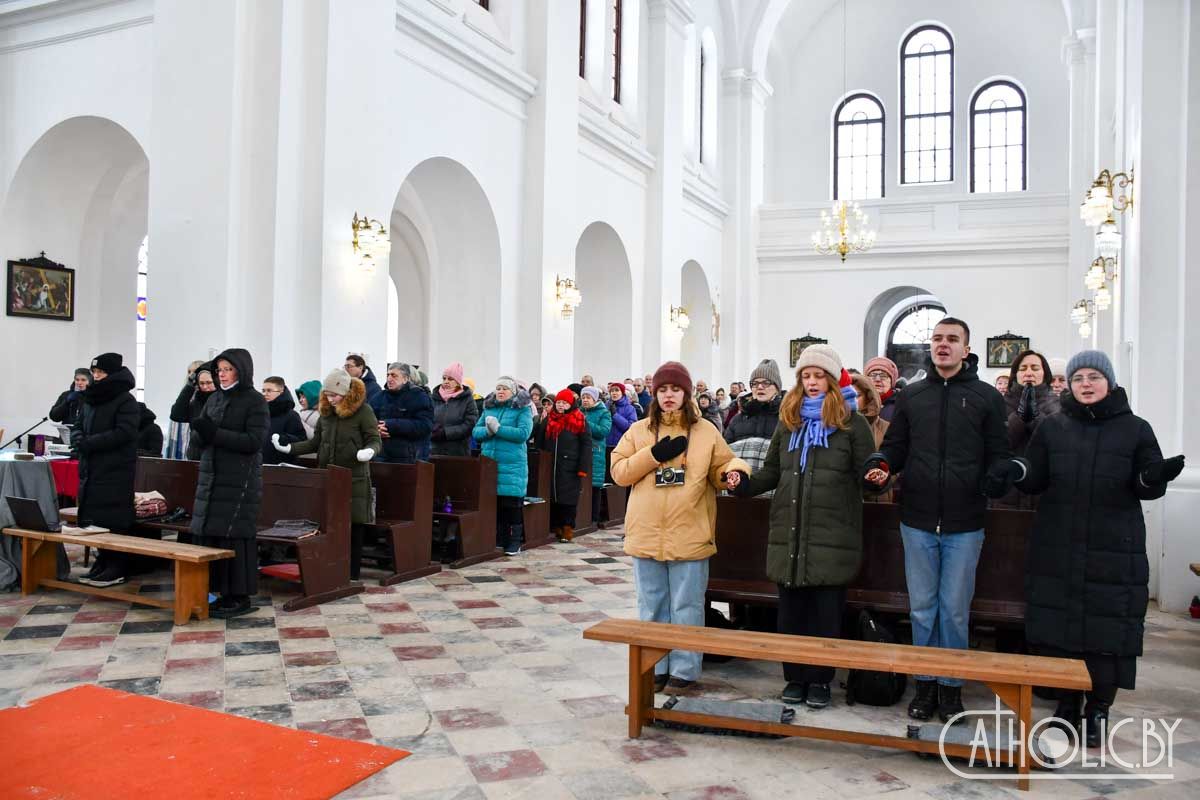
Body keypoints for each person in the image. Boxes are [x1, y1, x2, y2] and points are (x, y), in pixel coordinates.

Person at [1015, 351, 1185, 746]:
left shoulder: (1135, 429)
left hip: (1114, 546)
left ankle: (1098, 709)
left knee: (1108, 630)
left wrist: (1154, 476)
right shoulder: (1053, 427)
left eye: (1094, 376)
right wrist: (1015, 472)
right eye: (1078, 378)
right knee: (1060, 628)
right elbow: (1034, 478)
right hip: (1058, 542)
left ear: (1109, 382)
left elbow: (1145, 484)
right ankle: (1066, 704)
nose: (1085, 384)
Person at [864, 317, 1018, 723]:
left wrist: (996, 476)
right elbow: (895, 448)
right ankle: (925, 684)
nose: (943, 344)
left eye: (952, 339)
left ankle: (951, 688)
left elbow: (999, 453)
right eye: (937, 338)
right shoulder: (914, 396)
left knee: (953, 610)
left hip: (965, 521)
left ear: (966, 349)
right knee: (921, 609)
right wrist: (880, 464)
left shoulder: (986, 397)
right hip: (917, 519)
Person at [730, 346, 873, 708]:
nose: (812, 382)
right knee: (792, 615)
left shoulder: (852, 423)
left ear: (832, 380)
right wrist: (744, 485)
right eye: (806, 376)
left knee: (825, 616)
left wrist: (877, 477)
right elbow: (772, 472)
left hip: (831, 534)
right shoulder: (789, 419)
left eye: (819, 376)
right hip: (790, 533)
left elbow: (867, 474)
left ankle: (821, 680)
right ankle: (794, 677)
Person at [611, 361, 749, 691]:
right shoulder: (639, 431)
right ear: (655, 394)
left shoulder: (705, 431)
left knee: (687, 606)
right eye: (662, 390)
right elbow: (619, 472)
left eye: (675, 389)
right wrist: (653, 454)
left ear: (686, 394)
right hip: (647, 532)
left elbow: (723, 464)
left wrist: (735, 472)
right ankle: (656, 666)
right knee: (652, 605)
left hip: (690, 531)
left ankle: (685, 670)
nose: (669, 395)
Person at [276, 369, 382, 579]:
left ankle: (351, 572)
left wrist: (369, 451)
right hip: (327, 476)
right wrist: (290, 448)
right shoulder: (326, 414)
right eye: (328, 395)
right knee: (328, 523)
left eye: (335, 395)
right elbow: (315, 443)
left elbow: (374, 439)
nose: (331, 399)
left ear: (345, 392)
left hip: (354, 478)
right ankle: (331, 567)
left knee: (354, 525)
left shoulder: (363, 411)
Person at [189, 348, 269, 617]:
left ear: (241, 370)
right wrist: (201, 433)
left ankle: (237, 595)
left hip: (239, 479)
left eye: (228, 369)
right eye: (219, 370)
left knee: (234, 536)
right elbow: (202, 437)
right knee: (211, 533)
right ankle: (215, 590)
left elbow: (254, 442)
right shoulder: (214, 398)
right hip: (211, 475)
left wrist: (214, 433)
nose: (222, 375)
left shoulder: (255, 401)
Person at [73, 353, 139, 588]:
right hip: (92, 468)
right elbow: (78, 425)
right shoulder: (91, 397)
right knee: (95, 518)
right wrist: (78, 438)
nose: (96, 376)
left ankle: (117, 566)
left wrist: (90, 443)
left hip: (115, 469)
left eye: (100, 372)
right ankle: (102, 561)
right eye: (94, 372)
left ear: (112, 373)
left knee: (113, 518)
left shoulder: (125, 400)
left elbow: (125, 432)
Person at [473, 377, 534, 556]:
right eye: (498, 388)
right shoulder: (489, 408)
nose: (500, 391)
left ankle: (514, 541)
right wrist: (488, 431)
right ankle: (498, 539)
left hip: (512, 464)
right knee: (495, 504)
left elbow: (523, 433)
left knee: (511, 505)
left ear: (513, 392)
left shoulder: (522, 409)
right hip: (490, 463)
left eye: (504, 389)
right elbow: (476, 432)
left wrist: (498, 429)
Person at [534, 389, 592, 542]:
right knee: (553, 497)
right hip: (551, 465)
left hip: (570, 466)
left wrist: (583, 468)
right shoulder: (549, 419)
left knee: (568, 499)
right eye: (558, 402)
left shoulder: (580, 420)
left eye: (564, 403)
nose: (560, 405)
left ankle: (567, 528)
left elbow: (586, 445)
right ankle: (555, 527)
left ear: (571, 404)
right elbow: (540, 440)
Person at [724, 360, 784, 478]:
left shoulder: (787, 419)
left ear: (777, 388)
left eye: (766, 383)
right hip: (741, 483)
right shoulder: (737, 420)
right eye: (755, 383)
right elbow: (724, 453)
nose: (760, 387)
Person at [370, 362, 434, 463]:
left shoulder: (419, 397)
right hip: (382, 456)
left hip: (409, 458)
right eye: (388, 375)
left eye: (394, 375)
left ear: (405, 379)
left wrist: (391, 425)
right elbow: (368, 420)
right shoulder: (379, 397)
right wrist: (376, 430)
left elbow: (425, 426)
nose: (389, 379)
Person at [1005, 350, 1061, 459]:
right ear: (1015, 374)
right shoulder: (1002, 402)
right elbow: (998, 443)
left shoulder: (1056, 404)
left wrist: (1036, 417)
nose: (1029, 373)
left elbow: (1058, 443)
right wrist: (1018, 418)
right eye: (1023, 369)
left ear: (1045, 373)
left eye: (1035, 368)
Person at [168, 362, 216, 460]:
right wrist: (189, 386)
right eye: (202, 383)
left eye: (209, 383)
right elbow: (176, 415)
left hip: (216, 454)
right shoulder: (195, 402)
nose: (205, 387)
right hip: (196, 454)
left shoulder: (221, 401)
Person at [431, 362, 479, 457]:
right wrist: (432, 430)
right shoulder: (434, 397)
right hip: (434, 450)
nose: (446, 381)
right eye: (444, 378)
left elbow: (470, 424)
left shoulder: (467, 399)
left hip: (458, 452)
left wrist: (446, 433)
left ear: (458, 382)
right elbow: (426, 418)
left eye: (450, 379)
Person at [580, 386, 612, 525]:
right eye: (583, 397)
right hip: (581, 452)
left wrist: (585, 422)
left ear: (595, 399)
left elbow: (603, 431)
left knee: (595, 486)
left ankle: (594, 518)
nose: (585, 400)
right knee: (582, 486)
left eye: (588, 397)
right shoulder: (579, 411)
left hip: (596, 453)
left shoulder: (604, 413)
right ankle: (582, 518)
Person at [261, 377, 306, 466]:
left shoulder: (291, 415)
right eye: (263, 390)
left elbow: (301, 440)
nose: (265, 394)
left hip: (282, 467)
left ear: (281, 392)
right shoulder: (259, 413)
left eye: (269, 390)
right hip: (259, 465)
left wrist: (281, 439)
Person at [864, 356, 900, 422]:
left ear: (892, 381)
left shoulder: (901, 404)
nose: (877, 379)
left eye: (883, 375)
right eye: (873, 375)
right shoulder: (859, 402)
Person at [606, 382, 638, 448]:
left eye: (617, 390)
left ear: (622, 393)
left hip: (622, 445)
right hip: (606, 445)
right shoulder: (605, 406)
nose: (614, 393)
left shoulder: (630, 408)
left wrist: (615, 415)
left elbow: (631, 427)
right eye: (612, 391)